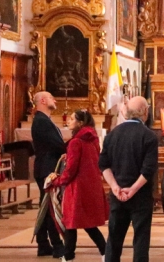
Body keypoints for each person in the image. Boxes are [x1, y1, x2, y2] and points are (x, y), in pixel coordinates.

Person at [99, 97, 159, 262]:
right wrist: (132, 189)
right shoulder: (148, 136)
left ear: (126, 112)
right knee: (140, 239)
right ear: (145, 112)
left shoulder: (112, 135)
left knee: (114, 240)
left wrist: (115, 187)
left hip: (118, 195)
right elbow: (148, 170)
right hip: (140, 196)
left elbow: (103, 165)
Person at [49, 109, 108, 262]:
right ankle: (105, 252)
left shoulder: (76, 142)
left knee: (71, 221)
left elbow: (71, 169)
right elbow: (88, 160)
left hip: (77, 188)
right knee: (86, 223)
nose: (69, 121)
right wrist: (68, 156)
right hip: (90, 185)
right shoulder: (93, 139)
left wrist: (57, 181)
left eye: (72, 118)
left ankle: (68, 256)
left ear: (80, 123)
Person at [31, 91, 67, 259]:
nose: (55, 99)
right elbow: (57, 145)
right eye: (52, 97)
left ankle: (43, 244)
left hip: (46, 168)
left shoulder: (43, 120)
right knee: (51, 207)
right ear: (43, 101)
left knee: (45, 208)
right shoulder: (41, 121)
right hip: (47, 170)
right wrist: (74, 146)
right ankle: (57, 246)